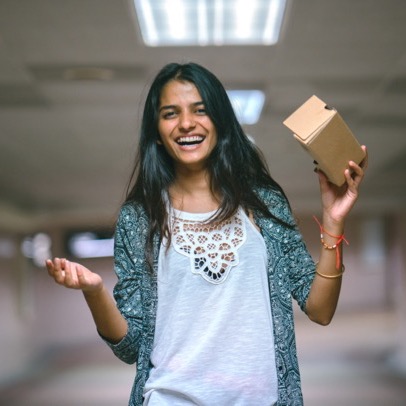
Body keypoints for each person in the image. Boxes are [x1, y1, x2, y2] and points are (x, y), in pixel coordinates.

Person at [46, 62, 368, 406]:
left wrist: (333, 223)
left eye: (200, 110)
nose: (186, 123)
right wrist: (95, 292)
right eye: (170, 113)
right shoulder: (140, 217)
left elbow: (320, 310)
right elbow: (131, 346)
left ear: (219, 120)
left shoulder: (262, 203)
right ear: (156, 130)